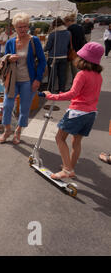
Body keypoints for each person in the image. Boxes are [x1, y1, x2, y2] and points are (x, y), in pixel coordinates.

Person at [42, 42, 104, 179]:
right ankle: (69, 167)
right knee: (76, 142)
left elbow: (72, 94)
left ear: (83, 58)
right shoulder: (98, 76)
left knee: (60, 138)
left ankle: (67, 170)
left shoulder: (82, 74)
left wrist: (50, 95)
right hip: (91, 113)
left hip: (78, 112)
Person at [0, 12, 47, 144]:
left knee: (24, 108)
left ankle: (18, 131)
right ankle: (7, 130)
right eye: (20, 27)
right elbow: (4, 59)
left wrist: (37, 79)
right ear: (14, 28)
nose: (23, 29)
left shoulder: (34, 41)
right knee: (7, 106)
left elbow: (42, 61)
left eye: (25, 26)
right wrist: (9, 58)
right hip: (12, 80)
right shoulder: (10, 42)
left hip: (28, 80)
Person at [44, 17, 71, 93]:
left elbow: (48, 47)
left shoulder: (53, 34)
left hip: (53, 57)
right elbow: (68, 45)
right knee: (62, 75)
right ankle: (61, 90)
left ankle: (50, 91)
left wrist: (43, 49)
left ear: (54, 25)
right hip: (64, 56)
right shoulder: (68, 33)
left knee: (52, 75)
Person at [63, 13, 86, 82]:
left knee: (73, 69)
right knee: (78, 67)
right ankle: (79, 81)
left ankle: (76, 83)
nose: (65, 24)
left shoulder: (69, 29)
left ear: (68, 22)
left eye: (65, 23)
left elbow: (68, 41)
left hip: (73, 50)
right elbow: (83, 39)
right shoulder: (80, 27)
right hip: (81, 50)